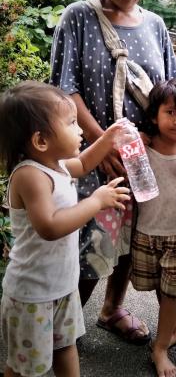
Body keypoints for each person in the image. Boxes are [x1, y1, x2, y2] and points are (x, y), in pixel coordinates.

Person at [50, 0, 176, 343]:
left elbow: (169, 89)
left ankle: (111, 309)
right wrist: (101, 143)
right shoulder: (78, 16)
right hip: (92, 153)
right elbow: (65, 89)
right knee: (92, 241)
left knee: (129, 238)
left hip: (142, 158)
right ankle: (62, 325)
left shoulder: (157, 26)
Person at [0, 81, 130, 377]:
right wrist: (96, 202)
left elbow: (84, 163)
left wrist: (106, 138)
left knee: (66, 346)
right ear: (41, 140)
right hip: (32, 294)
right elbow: (50, 225)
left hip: (62, 286)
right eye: (72, 123)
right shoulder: (31, 176)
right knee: (25, 367)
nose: (80, 129)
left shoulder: (57, 165)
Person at [130, 79, 176, 377]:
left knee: (173, 292)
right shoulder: (144, 147)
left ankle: (159, 348)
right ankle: (172, 328)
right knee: (161, 287)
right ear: (153, 117)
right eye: (170, 112)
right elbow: (132, 178)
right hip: (148, 231)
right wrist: (134, 144)